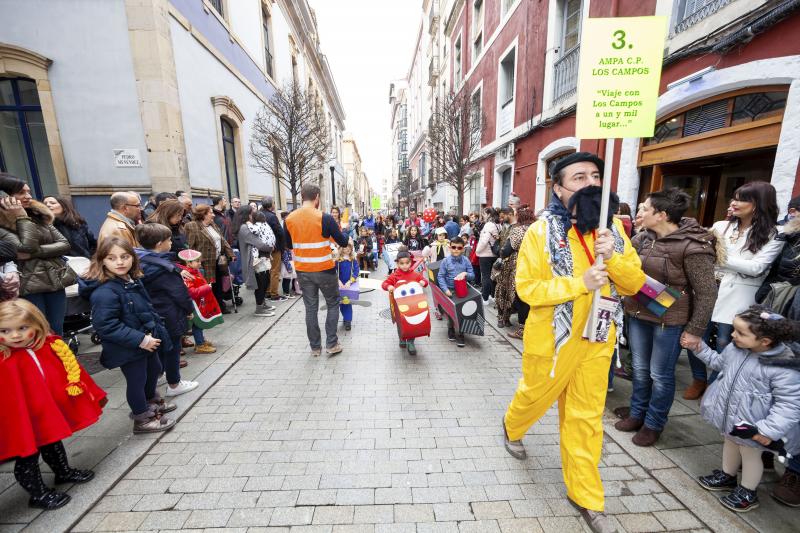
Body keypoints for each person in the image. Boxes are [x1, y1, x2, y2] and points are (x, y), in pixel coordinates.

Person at [502, 152, 645, 532]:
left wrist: (612, 257)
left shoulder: (612, 229)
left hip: (598, 338)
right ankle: (512, 426)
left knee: (584, 419)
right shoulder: (540, 232)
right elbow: (527, 289)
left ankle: (586, 496)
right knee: (534, 394)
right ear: (559, 188)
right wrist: (579, 284)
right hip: (551, 339)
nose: (590, 184)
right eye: (579, 177)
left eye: (595, 176)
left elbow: (634, 284)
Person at [614, 188, 718, 447]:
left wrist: (694, 330)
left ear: (661, 215)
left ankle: (654, 423)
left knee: (660, 374)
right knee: (639, 369)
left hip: (669, 321)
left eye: (645, 209)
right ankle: (637, 413)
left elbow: (706, 293)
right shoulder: (642, 239)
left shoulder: (694, 246)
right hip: (639, 313)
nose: (640, 213)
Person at [681, 306, 800, 513]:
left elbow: (789, 404)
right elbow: (718, 363)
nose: (733, 334)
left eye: (741, 333)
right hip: (732, 418)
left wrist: (767, 430)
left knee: (750, 455)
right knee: (730, 443)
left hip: (756, 424)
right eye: (734, 330)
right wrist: (699, 347)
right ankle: (728, 475)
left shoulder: (782, 366)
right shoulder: (736, 349)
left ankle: (748, 491)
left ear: (765, 341)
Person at [0, 299, 106, 510]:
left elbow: (62, 372)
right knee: (28, 456)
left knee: (52, 441)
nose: (15, 335)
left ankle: (63, 472)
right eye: (5, 330)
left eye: (23, 328)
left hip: (45, 411)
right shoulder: (5, 359)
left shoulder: (48, 346)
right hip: (22, 419)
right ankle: (37, 494)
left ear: (37, 325)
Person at [684, 181, 784, 400]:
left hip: (740, 298)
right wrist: (730, 263)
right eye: (734, 197)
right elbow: (704, 256)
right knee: (695, 334)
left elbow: (757, 268)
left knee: (725, 343)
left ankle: (715, 385)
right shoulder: (721, 226)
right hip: (708, 291)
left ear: (759, 204)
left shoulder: (775, 233)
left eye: (742, 199)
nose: (734, 203)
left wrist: (719, 259)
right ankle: (699, 379)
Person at [79, 237, 176, 434]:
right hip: (128, 346)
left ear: (132, 258)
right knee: (137, 380)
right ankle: (142, 418)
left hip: (145, 341)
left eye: (124, 257)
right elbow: (105, 324)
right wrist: (140, 339)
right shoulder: (105, 291)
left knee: (153, 371)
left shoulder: (130, 281)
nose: (120, 262)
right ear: (102, 261)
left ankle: (152, 404)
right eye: (112, 258)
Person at [0, 175, 71, 336]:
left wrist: (35, 253)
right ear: (5, 197)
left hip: (54, 280)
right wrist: (21, 217)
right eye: (21, 193)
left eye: (29, 192)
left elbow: (64, 244)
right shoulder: (4, 221)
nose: (29, 196)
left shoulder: (38, 214)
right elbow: (26, 246)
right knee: (37, 331)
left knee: (57, 330)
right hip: (27, 284)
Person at [284, 183, 349, 356]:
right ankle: (332, 344)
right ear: (317, 198)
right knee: (333, 304)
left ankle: (315, 348)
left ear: (302, 197)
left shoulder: (289, 219)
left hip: (303, 271)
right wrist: (346, 232)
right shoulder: (325, 218)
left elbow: (288, 245)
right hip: (324, 270)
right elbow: (342, 241)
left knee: (310, 308)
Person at [134, 224, 198, 397]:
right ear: (160, 243)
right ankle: (174, 383)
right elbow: (179, 293)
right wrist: (188, 309)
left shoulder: (139, 259)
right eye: (169, 240)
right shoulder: (163, 269)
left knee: (160, 347)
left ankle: (159, 375)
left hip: (152, 312)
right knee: (172, 348)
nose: (171, 243)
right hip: (169, 312)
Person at [184, 204, 235, 314]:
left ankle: (219, 306)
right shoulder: (192, 226)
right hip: (204, 262)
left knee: (218, 285)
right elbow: (190, 246)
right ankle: (209, 309)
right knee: (208, 286)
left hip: (217, 260)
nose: (213, 214)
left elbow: (222, 239)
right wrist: (192, 262)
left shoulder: (212, 224)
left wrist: (230, 253)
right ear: (203, 214)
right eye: (210, 212)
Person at [495, 208, 536, 338]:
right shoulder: (538, 230)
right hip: (536, 266)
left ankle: (520, 329)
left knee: (518, 296)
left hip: (519, 267)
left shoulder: (519, 230)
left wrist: (500, 250)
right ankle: (531, 327)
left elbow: (506, 250)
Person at [382, 249, 429, 355]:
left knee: (413, 322)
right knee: (401, 323)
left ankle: (411, 342)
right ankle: (402, 338)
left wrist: (423, 282)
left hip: (413, 304)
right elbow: (384, 283)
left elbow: (425, 281)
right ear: (397, 263)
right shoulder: (394, 275)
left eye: (407, 263)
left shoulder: (415, 274)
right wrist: (389, 286)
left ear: (410, 262)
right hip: (399, 305)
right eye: (402, 263)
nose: (405, 266)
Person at [176, 249, 221, 354]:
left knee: (196, 324)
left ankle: (199, 341)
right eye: (197, 261)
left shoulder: (194, 271)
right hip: (193, 304)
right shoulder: (188, 276)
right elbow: (191, 292)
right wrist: (206, 288)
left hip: (197, 303)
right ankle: (199, 345)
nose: (200, 263)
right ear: (188, 263)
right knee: (197, 324)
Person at [436, 236, 475, 347]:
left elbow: (473, 276)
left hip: (462, 291)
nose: (456, 250)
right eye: (454, 247)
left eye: (459, 248)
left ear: (463, 249)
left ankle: (461, 334)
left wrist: (466, 274)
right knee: (451, 312)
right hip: (450, 290)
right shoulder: (445, 261)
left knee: (462, 312)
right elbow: (440, 276)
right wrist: (445, 289)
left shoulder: (466, 260)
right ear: (450, 248)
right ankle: (451, 328)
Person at [245, 210, 277, 317]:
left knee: (265, 280)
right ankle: (259, 307)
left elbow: (254, 230)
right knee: (262, 282)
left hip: (263, 256)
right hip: (261, 257)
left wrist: (249, 224)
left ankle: (262, 304)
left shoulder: (259, 225)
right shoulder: (264, 224)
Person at [261, 197, 288, 302]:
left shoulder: (260, 214)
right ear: (271, 205)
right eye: (274, 203)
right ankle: (274, 294)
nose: (274, 204)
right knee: (275, 270)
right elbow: (280, 232)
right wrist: (284, 245)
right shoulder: (272, 216)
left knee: (268, 270)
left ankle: (267, 292)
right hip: (275, 247)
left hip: (264, 247)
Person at [475, 207, 500, 304]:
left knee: (485, 276)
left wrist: (477, 251)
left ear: (489, 214)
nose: (483, 216)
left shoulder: (489, 225)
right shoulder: (498, 225)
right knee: (493, 276)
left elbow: (484, 241)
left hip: (486, 254)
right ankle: (492, 295)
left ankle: (485, 298)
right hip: (495, 254)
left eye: (484, 214)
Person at [336, 240, 358, 331]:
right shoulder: (338, 260)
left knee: (347, 303)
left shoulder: (353, 260)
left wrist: (350, 281)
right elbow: (334, 272)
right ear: (341, 248)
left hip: (349, 285)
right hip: (340, 285)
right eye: (345, 247)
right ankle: (345, 317)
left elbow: (356, 271)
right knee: (341, 303)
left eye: (349, 247)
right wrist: (338, 281)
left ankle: (348, 321)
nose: (347, 249)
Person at [279, 211, 299, 298]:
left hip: (291, 253)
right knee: (287, 276)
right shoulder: (285, 226)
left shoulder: (288, 225)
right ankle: (286, 292)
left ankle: (293, 289)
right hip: (288, 255)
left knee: (292, 274)